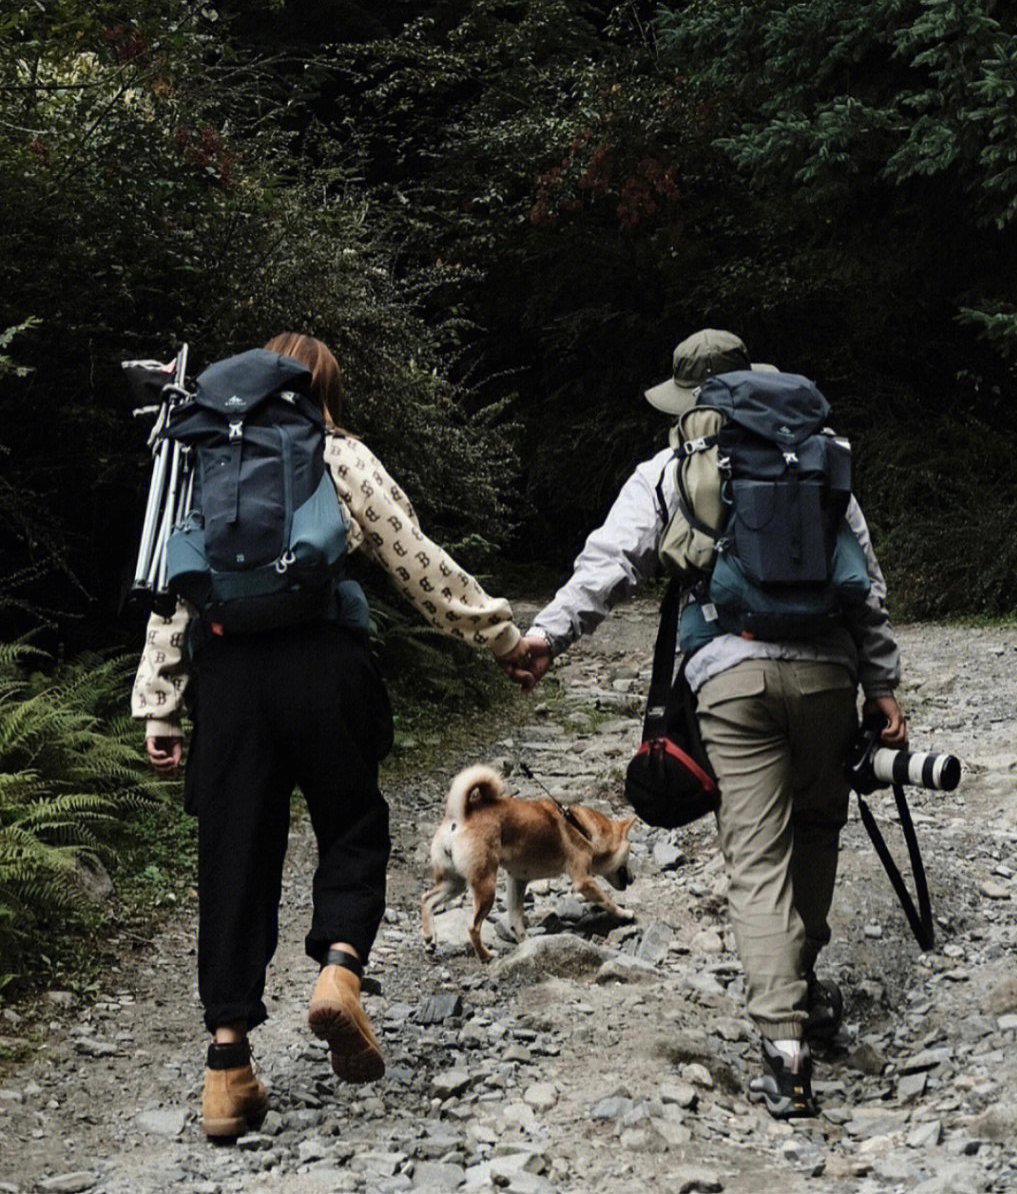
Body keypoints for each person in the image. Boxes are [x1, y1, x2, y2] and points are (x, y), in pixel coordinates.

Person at [133, 333, 531, 1139]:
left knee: (233, 856)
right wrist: (501, 638)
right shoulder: (337, 455)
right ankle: (339, 974)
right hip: (324, 664)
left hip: (230, 678)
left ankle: (227, 1069)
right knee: (352, 824)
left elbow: (172, 591)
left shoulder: (202, 458)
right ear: (322, 391)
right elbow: (415, 561)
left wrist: (160, 704)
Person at [511, 329, 907, 1118]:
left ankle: (785, 1048)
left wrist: (547, 636)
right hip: (829, 671)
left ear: (690, 400)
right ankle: (804, 986)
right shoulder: (817, 455)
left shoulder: (672, 467)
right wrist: (882, 684)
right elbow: (865, 580)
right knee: (819, 826)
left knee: (756, 856)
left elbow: (610, 563)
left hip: (730, 678)